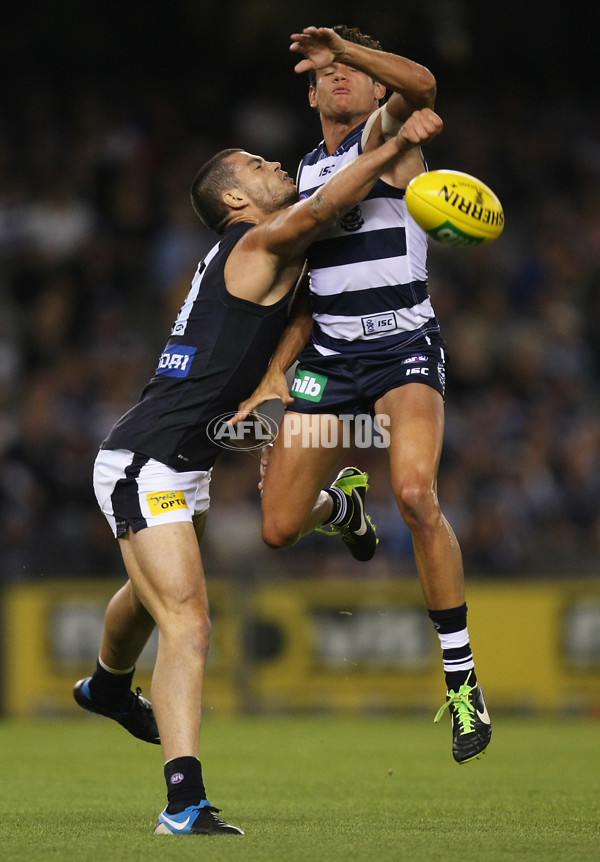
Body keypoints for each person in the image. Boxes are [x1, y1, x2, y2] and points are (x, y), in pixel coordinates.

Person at [72, 106, 444, 837]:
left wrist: (276, 374)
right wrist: (397, 144)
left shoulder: (264, 250)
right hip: (144, 458)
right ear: (234, 201)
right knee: (189, 623)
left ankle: (109, 688)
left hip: (183, 459)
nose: (274, 165)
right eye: (255, 165)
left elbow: (314, 288)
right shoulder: (257, 240)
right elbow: (335, 201)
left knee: (149, 601)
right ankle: (183, 804)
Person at [234, 25, 492, 765]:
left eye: (351, 70)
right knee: (280, 527)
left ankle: (462, 683)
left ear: (375, 88)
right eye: (324, 74)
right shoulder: (300, 179)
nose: (339, 78)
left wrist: (343, 46)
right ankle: (342, 507)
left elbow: (424, 87)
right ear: (309, 94)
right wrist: (273, 374)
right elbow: (307, 297)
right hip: (329, 361)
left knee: (415, 494)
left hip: (402, 349)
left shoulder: (390, 138)